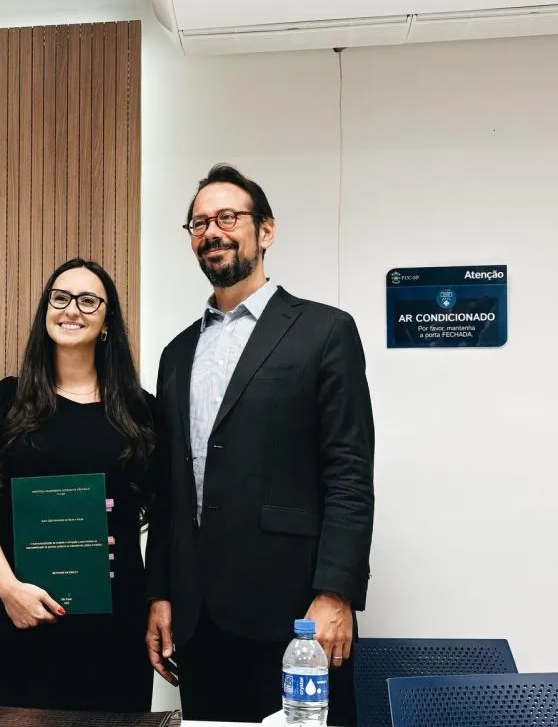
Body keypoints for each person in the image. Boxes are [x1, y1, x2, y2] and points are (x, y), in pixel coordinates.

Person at [145, 164, 375, 724]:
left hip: (296, 617)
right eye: (198, 222)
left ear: (265, 231)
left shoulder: (324, 331)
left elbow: (348, 472)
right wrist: (160, 595)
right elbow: (170, 490)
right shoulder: (176, 354)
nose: (211, 231)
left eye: (228, 216)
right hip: (199, 622)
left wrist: (336, 592)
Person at [0, 257, 156, 712]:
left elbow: (165, 516)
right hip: (20, 614)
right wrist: (7, 590)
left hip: (115, 621)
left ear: (107, 322)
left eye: (88, 301)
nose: (72, 310)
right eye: (60, 298)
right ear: (46, 311)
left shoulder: (141, 412)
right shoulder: (4, 401)